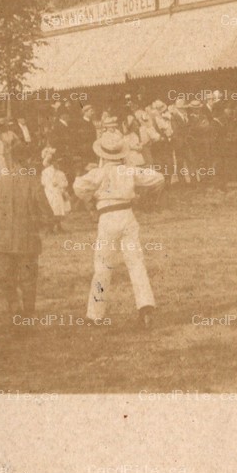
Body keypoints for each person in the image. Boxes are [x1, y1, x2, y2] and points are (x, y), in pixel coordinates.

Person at [73, 127, 165, 328]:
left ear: (101, 153)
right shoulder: (129, 170)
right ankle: (146, 308)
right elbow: (158, 177)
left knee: (103, 266)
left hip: (107, 217)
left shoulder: (98, 172)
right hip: (128, 215)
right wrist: (144, 195)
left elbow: (78, 187)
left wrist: (92, 194)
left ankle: (96, 315)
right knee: (135, 262)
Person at [0, 136, 57, 325]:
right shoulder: (33, 183)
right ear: (27, 161)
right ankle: (28, 314)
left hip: (3, 240)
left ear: (12, 160)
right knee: (28, 279)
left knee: (5, 278)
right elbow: (47, 212)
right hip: (27, 239)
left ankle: (14, 308)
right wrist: (42, 223)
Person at [40, 147, 71, 228]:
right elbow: (44, 183)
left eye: (58, 163)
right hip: (50, 192)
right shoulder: (46, 172)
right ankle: (51, 226)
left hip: (57, 191)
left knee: (59, 208)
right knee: (53, 207)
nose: (57, 165)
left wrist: (62, 188)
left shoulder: (60, 173)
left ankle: (58, 225)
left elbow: (64, 183)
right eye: (55, 163)